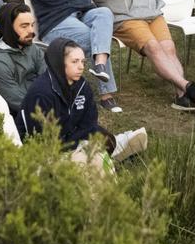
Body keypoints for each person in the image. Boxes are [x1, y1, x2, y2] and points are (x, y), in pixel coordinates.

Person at [25, 0, 120, 112]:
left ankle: (99, 64)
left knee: (104, 14)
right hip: (55, 21)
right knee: (94, 37)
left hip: (81, 13)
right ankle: (106, 94)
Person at [18, 40, 148, 163]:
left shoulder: (82, 86)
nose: (81, 67)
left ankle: (113, 146)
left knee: (101, 142)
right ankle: (114, 148)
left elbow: (90, 122)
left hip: (73, 139)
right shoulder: (41, 93)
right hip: (45, 152)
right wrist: (81, 142)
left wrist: (87, 139)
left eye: (83, 62)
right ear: (59, 62)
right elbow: (42, 140)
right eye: (74, 62)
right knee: (94, 155)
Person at [0, 3, 47, 114]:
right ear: (8, 28)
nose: (31, 31)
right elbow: (20, 103)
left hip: (46, 105)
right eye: (24, 26)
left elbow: (49, 79)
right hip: (24, 117)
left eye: (32, 25)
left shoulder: (32, 47)